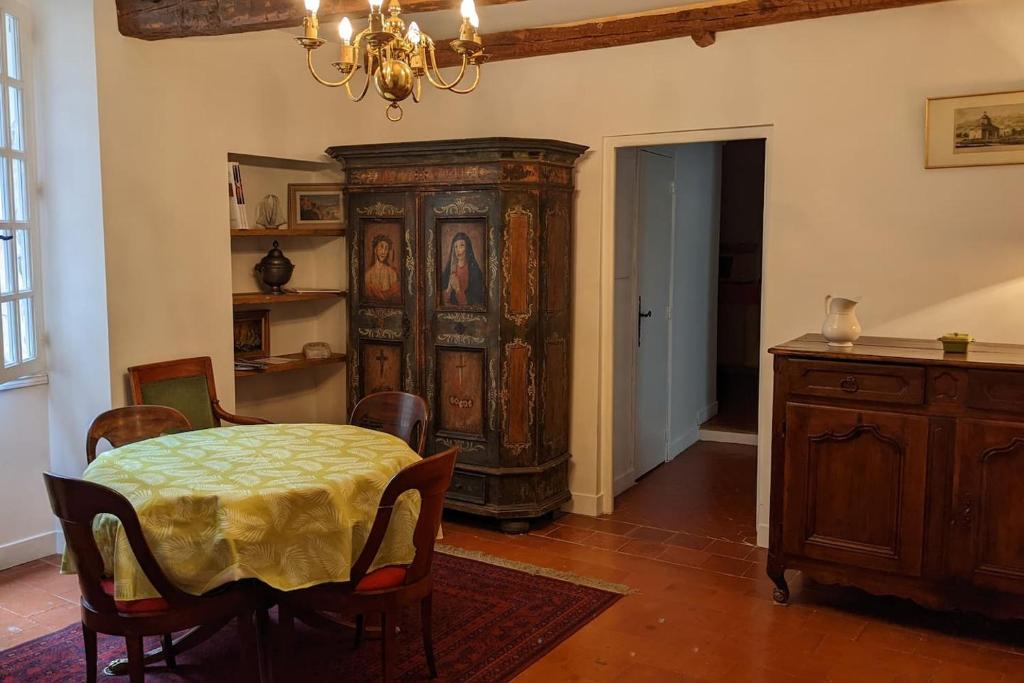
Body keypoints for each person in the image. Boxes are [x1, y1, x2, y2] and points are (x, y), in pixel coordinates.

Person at [442, 232, 485, 307]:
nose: (458, 249)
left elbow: (478, 300)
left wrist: (458, 291)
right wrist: (449, 290)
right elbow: (441, 301)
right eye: (456, 246)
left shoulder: (473, 269)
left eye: (462, 245)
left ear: (467, 248)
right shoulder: (449, 269)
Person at [365, 234, 401, 303]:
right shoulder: (368, 275)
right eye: (381, 247)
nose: (383, 252)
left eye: (386, 248)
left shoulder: (392, 273)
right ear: (375, 250)